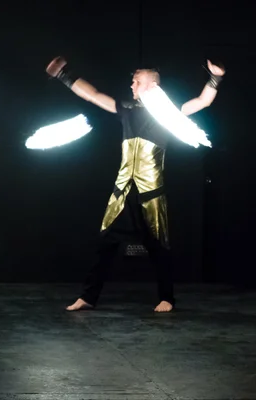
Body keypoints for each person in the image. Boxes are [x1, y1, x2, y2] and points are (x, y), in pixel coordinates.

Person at [46, 56, 225, 312]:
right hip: (122, 192)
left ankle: (166, 298)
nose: (131, 85)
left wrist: (215, 77)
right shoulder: (127, 109)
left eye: (136, 81)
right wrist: (64, 74)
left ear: (152, 85)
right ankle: (88, 297)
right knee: (105, 245)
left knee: (159, 247)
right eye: (132, 81)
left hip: (151, 193)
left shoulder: (169, 114)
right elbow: (93, 95)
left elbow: (203, 101)